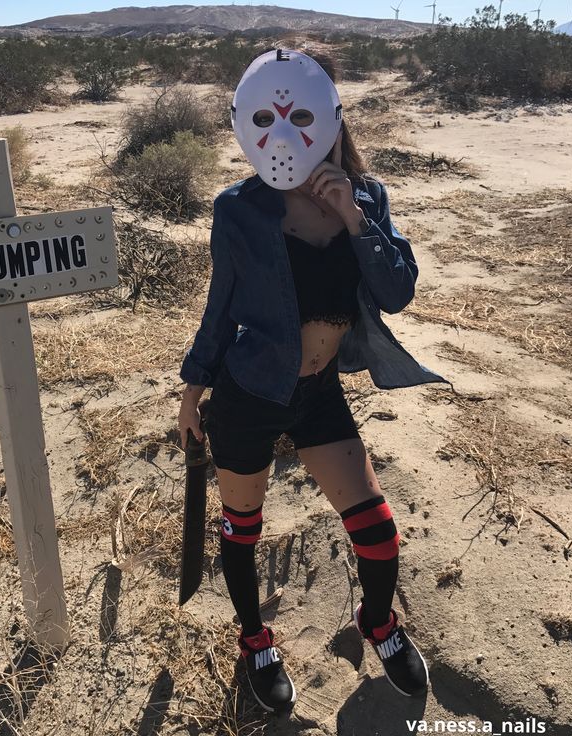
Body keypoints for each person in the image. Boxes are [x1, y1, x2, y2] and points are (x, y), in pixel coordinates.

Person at [177, 48, 448, 713]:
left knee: (377, 530)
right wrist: (192, 388)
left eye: (300, 114)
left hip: (318, 394)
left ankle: (377, 624)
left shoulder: (368, 195)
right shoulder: (238, 208)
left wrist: (356, 220)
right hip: (250, 395)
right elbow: (220, 308)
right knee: (243, 528)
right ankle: (254, 641)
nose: (284, 133)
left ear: (327, 116)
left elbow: (397, 292)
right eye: (269, 116)